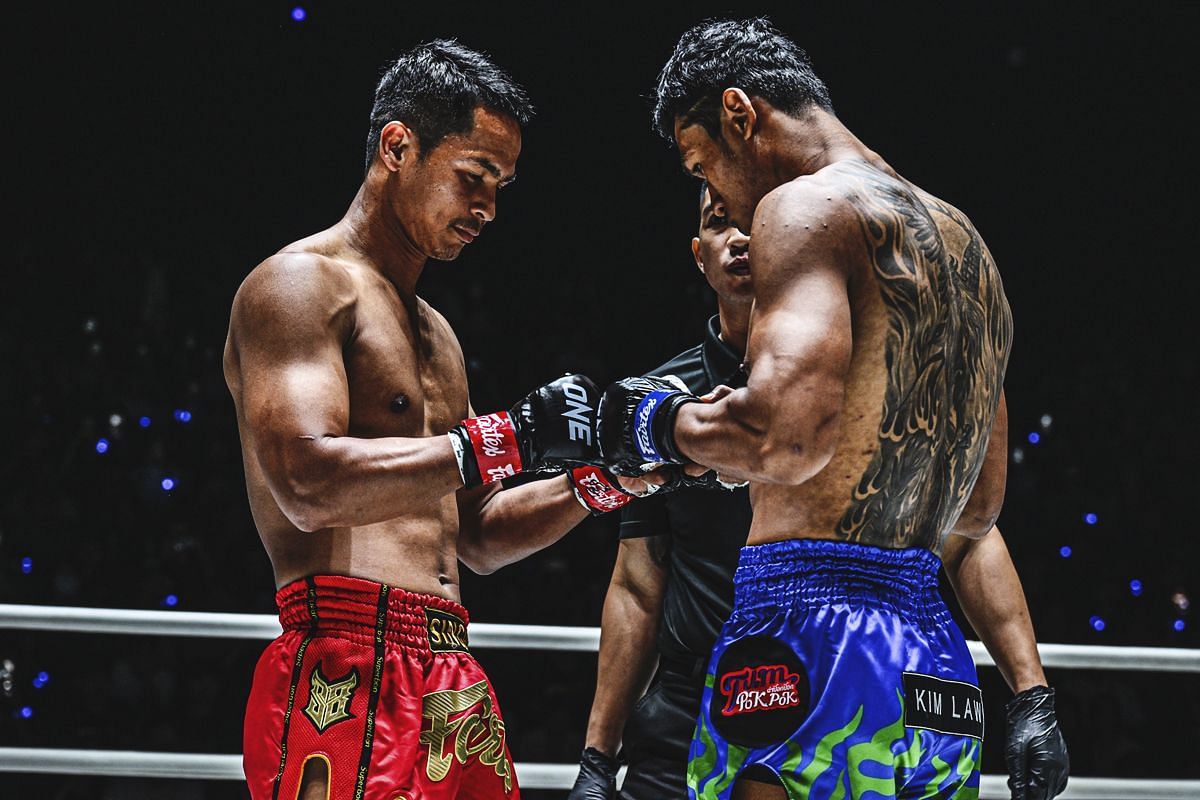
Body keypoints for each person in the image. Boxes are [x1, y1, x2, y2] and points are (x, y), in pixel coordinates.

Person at [596, 18, 1069, 799]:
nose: (713, 194)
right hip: (934, 656)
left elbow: (783, 443)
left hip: (805, 633)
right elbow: (978, 508)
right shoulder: (966, 246)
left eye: (701, 164)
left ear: (740, 114)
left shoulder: (805, 209)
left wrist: (649, 422)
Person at [224, 40, 654, 800]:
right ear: (398, 145)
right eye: (472, 176)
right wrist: (505, 438)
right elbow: (307, 482)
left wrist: (599, 483)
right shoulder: (299, 285)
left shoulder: (438, 335)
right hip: (343, 660)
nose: (487, 207)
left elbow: (478, 534)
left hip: (451, 670)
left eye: (501, 185)